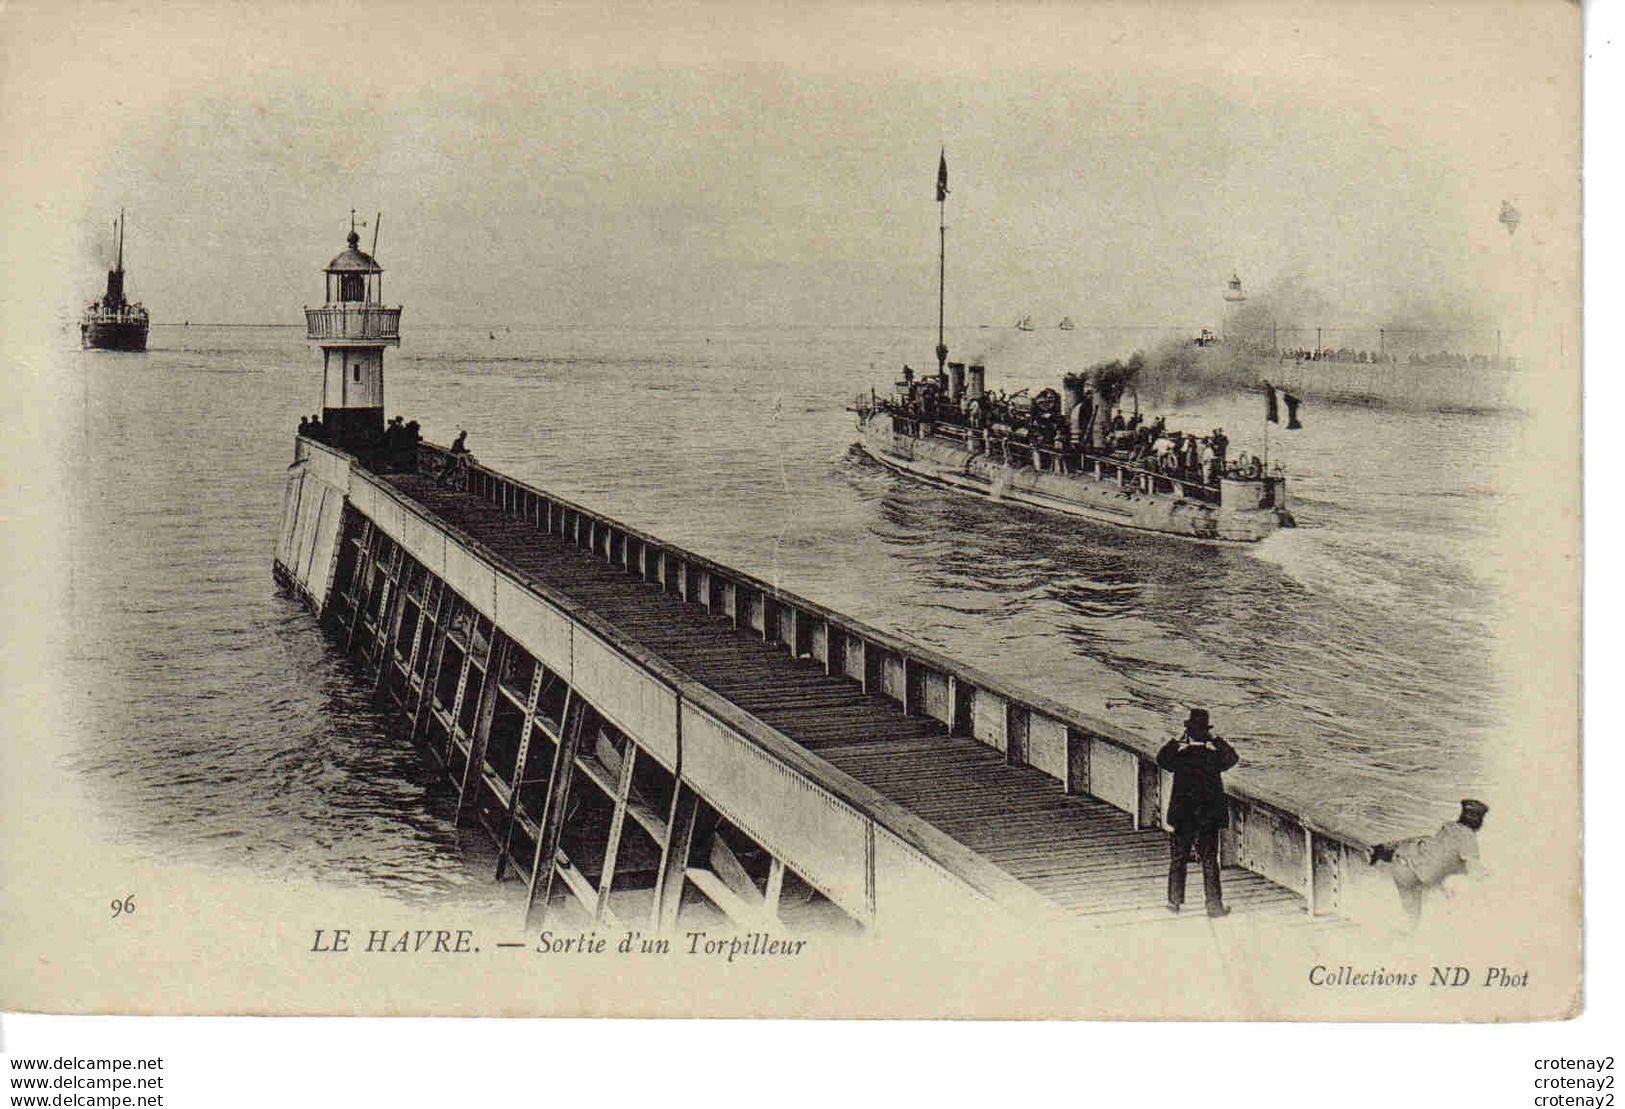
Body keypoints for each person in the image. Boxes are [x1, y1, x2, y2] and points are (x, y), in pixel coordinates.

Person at [1157, 708, 1240, 917]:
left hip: (1183, 817)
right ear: (1206, 733)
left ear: (1188, 732)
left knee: (1178, 858)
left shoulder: (1181, 757)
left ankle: (1174, 902)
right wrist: (1216, 740)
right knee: (1210, 860)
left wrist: (1176, 741)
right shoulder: (1213, 758)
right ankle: (1214, 906)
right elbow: (1232, 758)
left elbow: (1162, 759)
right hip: (1208, 819)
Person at [1369, 799, 1488, 927]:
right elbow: (1473, 867)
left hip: (1404, 863)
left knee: (1422, 843)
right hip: (1415, 875)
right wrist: (1487, 877)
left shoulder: (1449, 827)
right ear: (1478, 821)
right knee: (1416, 917)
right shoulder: (1469, 838)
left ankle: (1381, 851)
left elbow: (1441, 857)